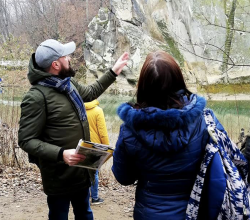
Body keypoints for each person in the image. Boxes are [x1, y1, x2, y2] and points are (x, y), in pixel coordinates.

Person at [111, 51, 245, 219]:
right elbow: (225, 162)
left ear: (143, 86)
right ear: (178, 80)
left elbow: (123, 177)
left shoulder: (129, 131)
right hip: (194, 212)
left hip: (149, 213)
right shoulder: (205, 121)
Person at [18, 39, 128, 220]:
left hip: (81, 172)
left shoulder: (68, 84)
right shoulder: (36, 97)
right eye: (65, 56)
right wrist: (61, 154)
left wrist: (113, 72)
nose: (69, 58)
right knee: (59, 216)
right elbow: (26, 140)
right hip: (58, 177)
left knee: (85, 214)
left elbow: (92, 92)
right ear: (55, 64)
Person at [84, 99, 109, 205]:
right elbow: (102, 132)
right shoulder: (98, 110)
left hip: (82, 145)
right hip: (95, 146)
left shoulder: (79, 109)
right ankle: (94, 197)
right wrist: (107, 147)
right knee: (94, 172)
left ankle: (84, 196)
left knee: (83, 171)